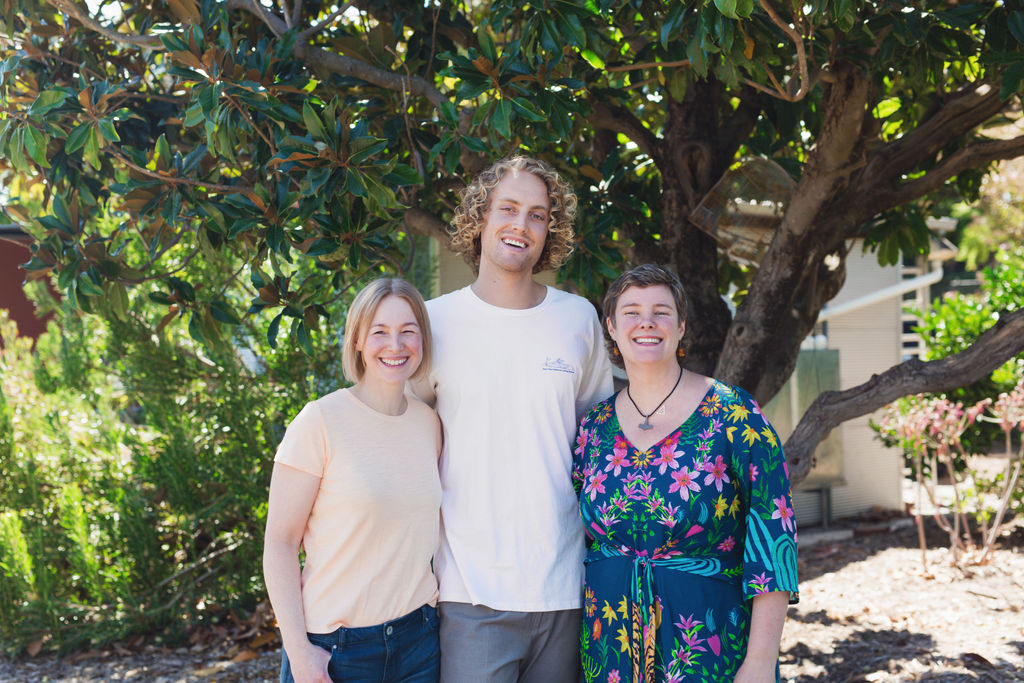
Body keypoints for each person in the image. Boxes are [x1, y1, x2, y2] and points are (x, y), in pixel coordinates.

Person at [414, 156, 614, 682]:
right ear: (480, 217)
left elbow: (600, 446)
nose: (521, 225)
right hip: (469, 592)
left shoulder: (578, 319)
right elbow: (403, 441)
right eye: (508, 208)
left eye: (538, 215)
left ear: (551, 231)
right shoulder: (433, 322)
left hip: (565, 588)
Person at [573, 264, 798, 682]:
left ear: (680, 327)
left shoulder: (733, 414)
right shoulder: (594, 426)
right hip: (609, 649)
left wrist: (762, 662)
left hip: (708, 646)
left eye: (661, 311)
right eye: (631, 311)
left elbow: (774, 539)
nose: (646, 322)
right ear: (611, 327)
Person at [263, 278, 442, 683]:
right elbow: (280, 543)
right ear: (357, 341)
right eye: (379, 332)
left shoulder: (428, 423)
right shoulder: (320, 421)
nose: (395, 345)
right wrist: (298, 650)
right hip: (336, 650)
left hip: (418, 642)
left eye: (407, 331)